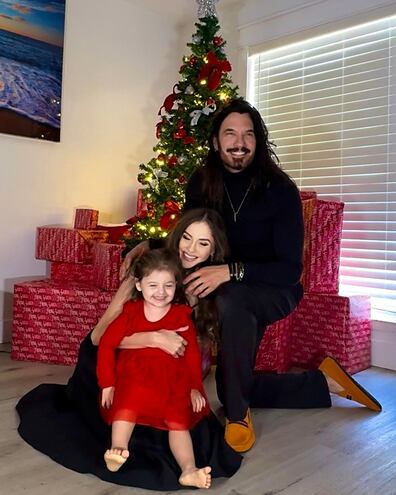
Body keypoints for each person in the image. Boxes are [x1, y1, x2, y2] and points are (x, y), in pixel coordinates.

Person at [177, 98, 382, 453]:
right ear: (215, 141)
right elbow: (187, 232)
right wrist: (146, 246)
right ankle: (323, 384)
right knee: (230, 381)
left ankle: (238, 415)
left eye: (248, 134)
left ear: (258, 141)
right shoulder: (202, 181)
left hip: (275, 288)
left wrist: (230, 270)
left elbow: (290, 270)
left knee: (231, 298)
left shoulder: (280, 190)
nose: (239, 141)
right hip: (223, 284)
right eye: (230, 133)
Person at [16, 209, 241, 491]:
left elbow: (185, 349)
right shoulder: (146, 272)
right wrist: (154, 338)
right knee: (145, 436)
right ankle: (121, 448)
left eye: (203, 243)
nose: (192, 249)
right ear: (176, 237)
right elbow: (99, 338)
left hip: (156, 368)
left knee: (190, 426)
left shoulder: (202, 284)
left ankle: (188, 467)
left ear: (214, 251)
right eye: (186, 238)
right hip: (110, 358)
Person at [97, 249, 211, 488]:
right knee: (125, 406)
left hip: (171, 381)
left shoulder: (181, 315)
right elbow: (106, 343)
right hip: (134, 376)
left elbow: (191, 356)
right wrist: (108, 383)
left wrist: (194, 388)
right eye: (153, 285)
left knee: (178, 423)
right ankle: (118, 449)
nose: (161, 293)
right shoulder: (131, 312)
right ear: (139, 285)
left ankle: (189, 469)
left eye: (168, 286)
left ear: (176, 285)